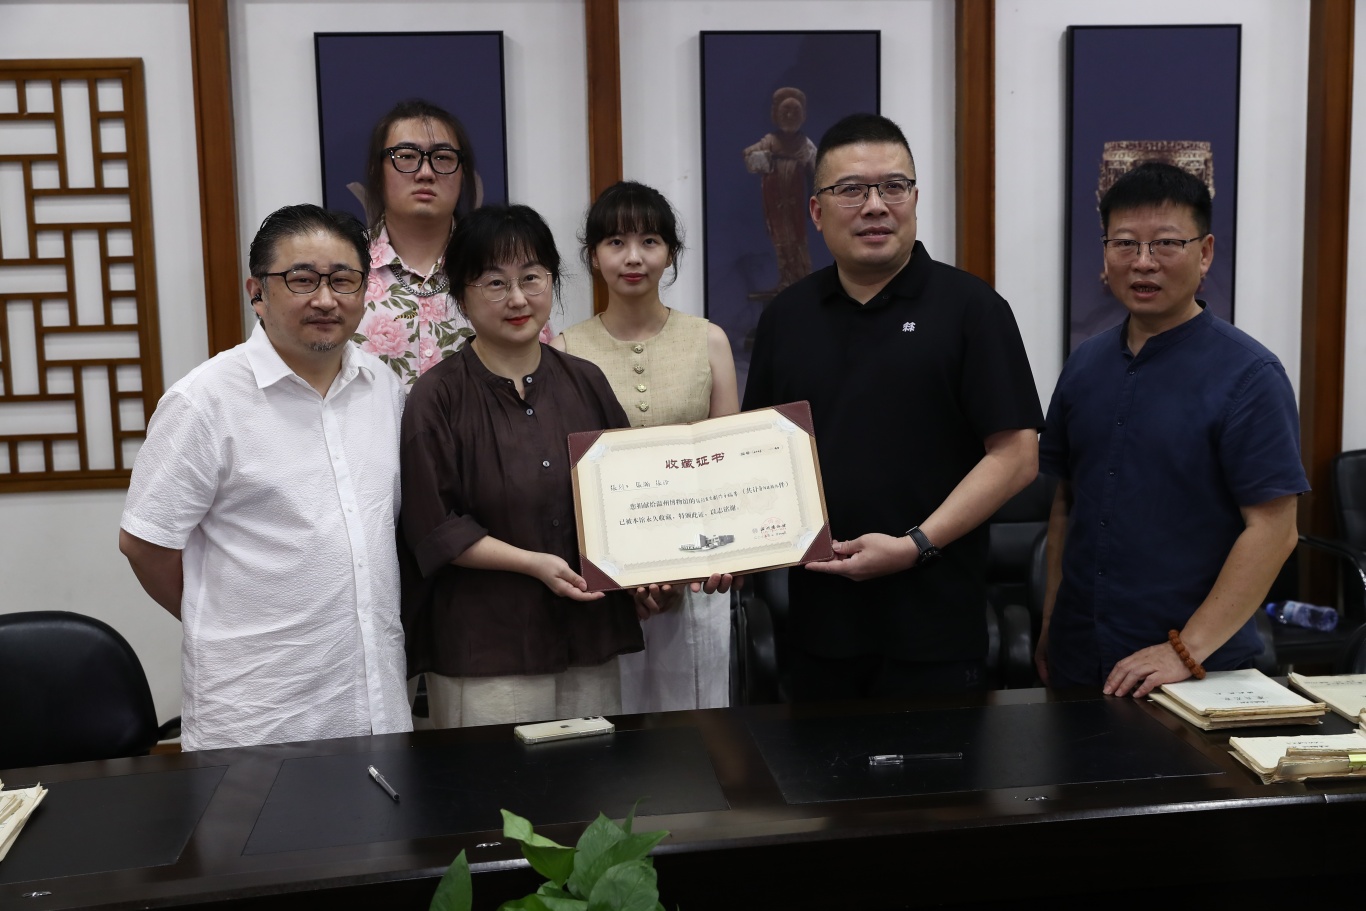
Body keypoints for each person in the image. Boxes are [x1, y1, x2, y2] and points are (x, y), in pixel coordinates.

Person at [742, 113, 1043, 700]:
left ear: (914, 199)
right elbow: (760, 455)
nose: (876, 206)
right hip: (818, 627)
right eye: (852, 189)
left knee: (937, 766)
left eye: (894, 187)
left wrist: (915, 546)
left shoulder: (973, 309)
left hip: (934, 628)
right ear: (816, 211)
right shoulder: (787, 318)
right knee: (819, 762)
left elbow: (1017, 457)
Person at [119, 204, 411, 751]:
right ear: (257, 292)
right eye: (301, 279)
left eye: (343, 280)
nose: (325, 299)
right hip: (257, 712)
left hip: (375, 705)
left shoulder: (384, 389)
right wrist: (219, 617)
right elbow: (144, 544)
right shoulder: (204, 401)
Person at [1036, 161, 1306, 698]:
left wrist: (1185, 650)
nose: (1143, 262)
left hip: (1194, 672)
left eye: (1165, 243)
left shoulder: (1250, 375)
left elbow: (1275, 531)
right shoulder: (1085, 364)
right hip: (1078, 658)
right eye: (1124, 244)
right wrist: (1049, 623)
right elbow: (1066, 503)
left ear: (1204, 253)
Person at [397, 204, 644, 728]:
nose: (517, 299)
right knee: (496, 781)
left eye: (531, 277)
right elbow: (433, 527)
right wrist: (533, 563)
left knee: (595, 777)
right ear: (461, 294)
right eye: (494, 283)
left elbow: (629, 494)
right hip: (488, 647)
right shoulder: (436, 397)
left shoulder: (586, 381)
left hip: (589, 633)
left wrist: (654, 570)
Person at [552, 180, 740, 712]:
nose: (633, 257)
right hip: (607, 582)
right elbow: (569, 481)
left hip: (700, 573)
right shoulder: (565, 350)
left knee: (697, 727)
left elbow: (728, 466)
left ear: (670, 254)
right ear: (593, 256)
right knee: (616, 725)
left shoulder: (709, 340)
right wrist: (626, 575)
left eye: (649, 241)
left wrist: (687, 568)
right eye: (616, 242)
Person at [354, 99, 550, 383]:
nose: (425, 173)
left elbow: (538, 369)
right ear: (376, 170)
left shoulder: (501, 264)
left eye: (443, 157)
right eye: (406, 156)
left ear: (463, 172)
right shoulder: (345, 267)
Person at [743, 87, 818, 298]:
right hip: (774, 202)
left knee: (797, 240)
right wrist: (766, 158)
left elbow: (818, 170)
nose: (790, 115)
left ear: (802, 115)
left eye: (795, 111)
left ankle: (802, 279)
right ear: (776, 114)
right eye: (785, 111)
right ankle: (786, 281)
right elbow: (748, 155)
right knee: (780, 241)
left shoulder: (805, 145)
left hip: (795, 204)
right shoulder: (770, 141)